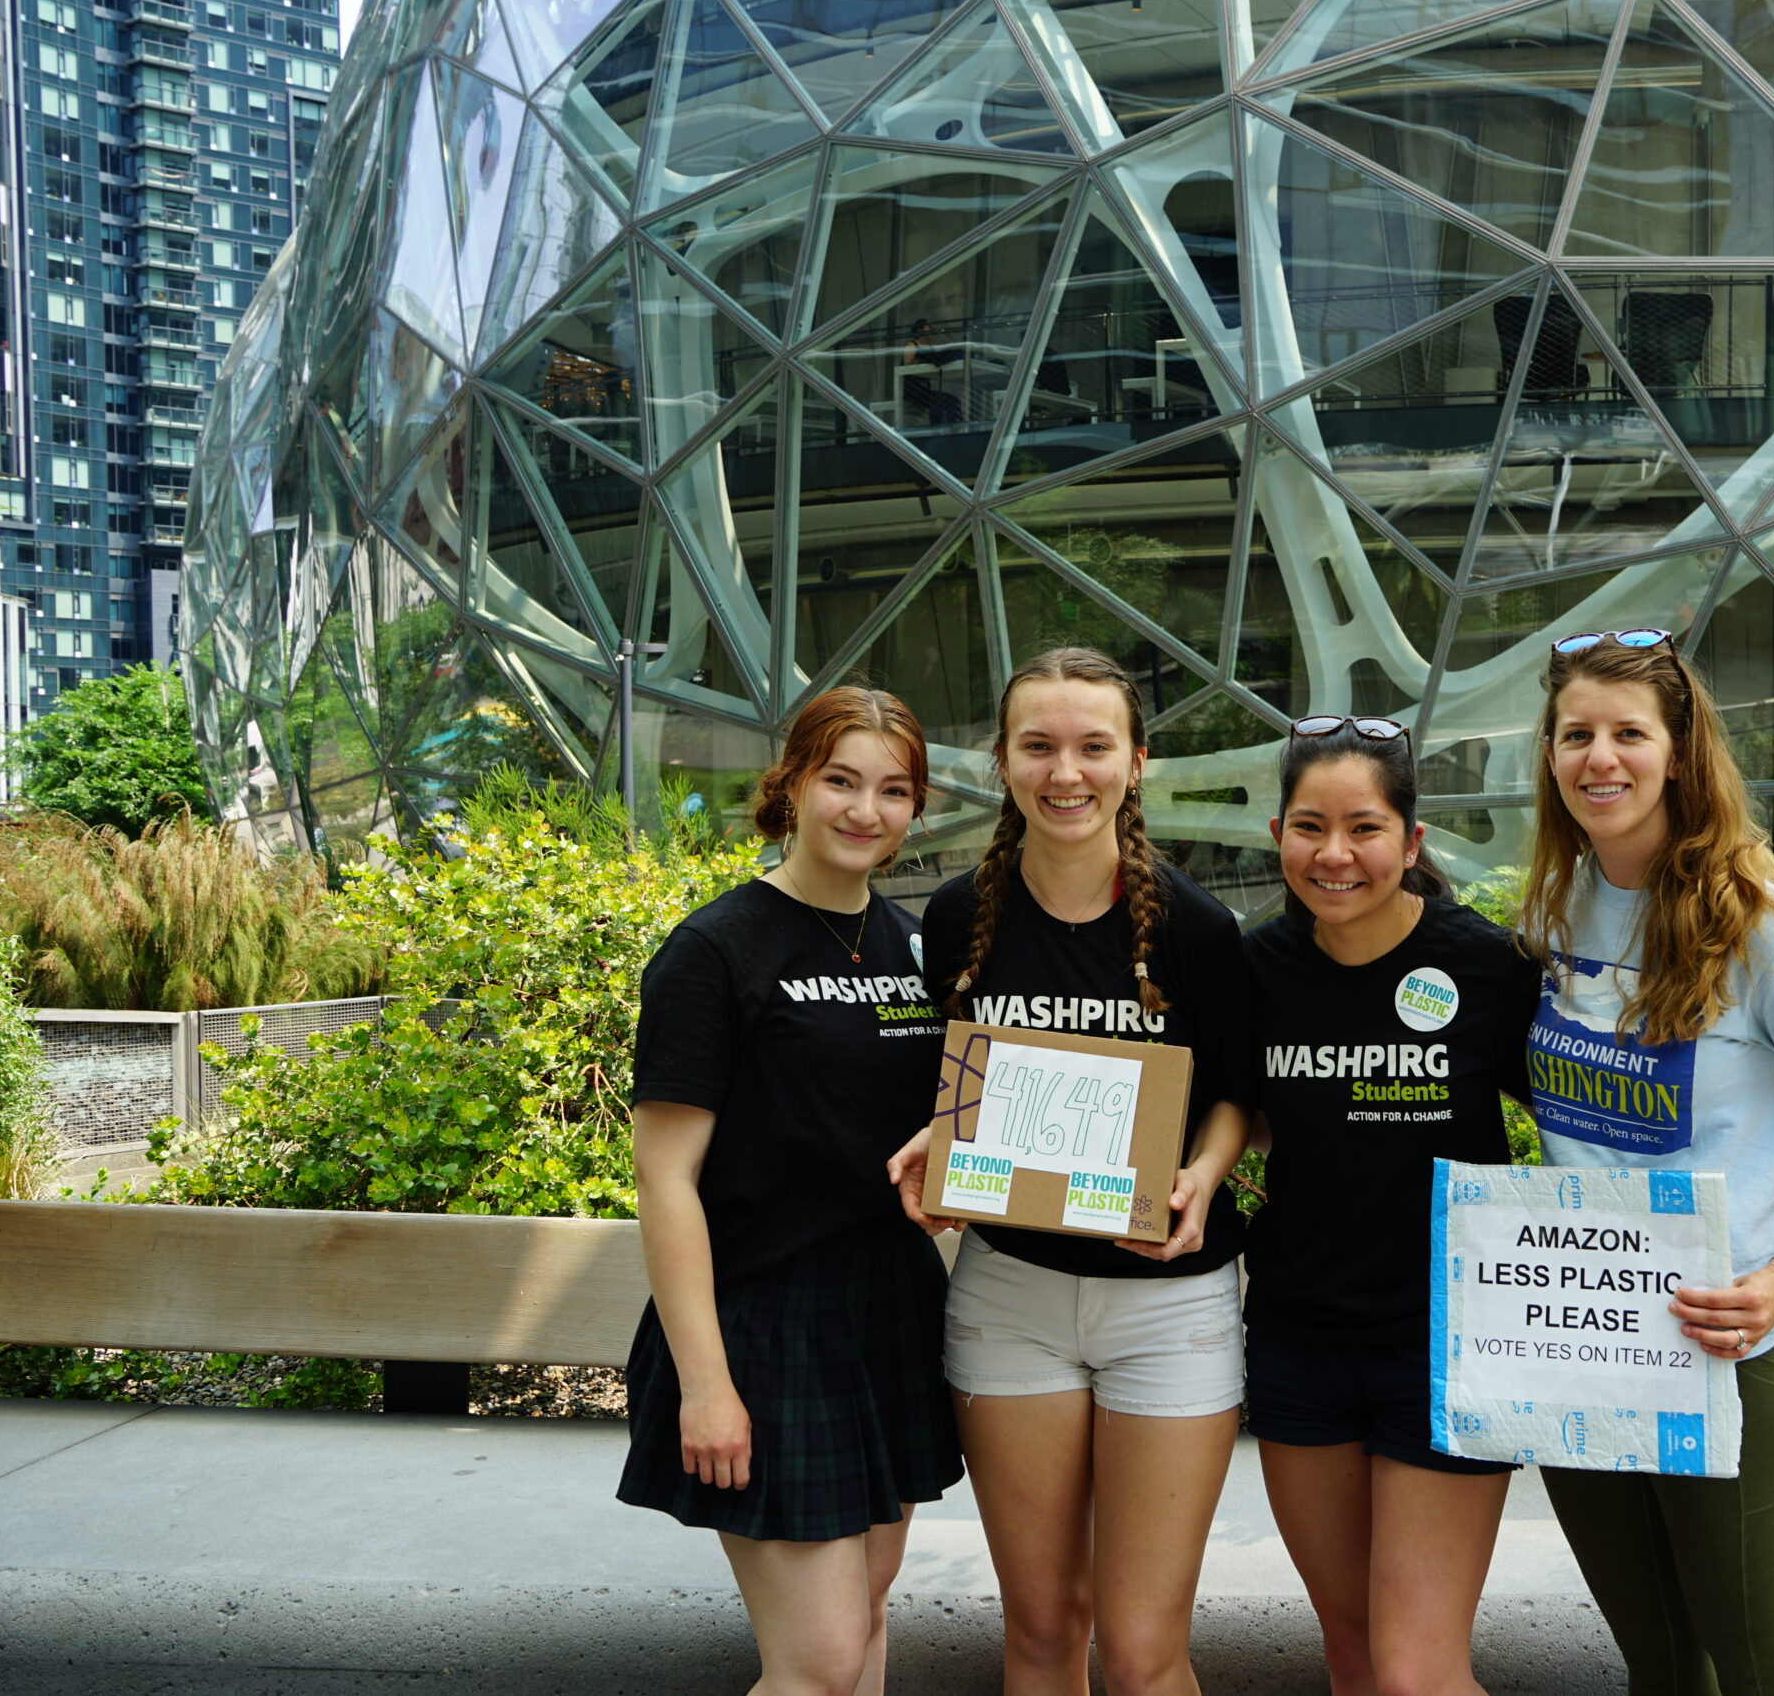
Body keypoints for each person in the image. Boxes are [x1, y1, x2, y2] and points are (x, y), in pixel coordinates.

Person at [1518, 629, 1774, 1696]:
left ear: (1679, 752)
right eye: (1576, 735)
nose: (1601, 758)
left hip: (1716, 1348)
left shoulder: (1762, 924)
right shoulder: (1552, 906)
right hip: (1578, 1336)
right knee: (1657, 1667)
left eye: (1628, 734)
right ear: (1549, 756)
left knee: (1757, 1669)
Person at [887, 645, 1255, 1696]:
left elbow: (1237, 1096)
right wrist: (934, 1143)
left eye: (1093, 747)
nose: (1065, 773)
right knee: (1043, 1635)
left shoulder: (1194, 925)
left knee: (1143, 1657)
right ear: (1000, 760)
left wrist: (1200, 1177)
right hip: (1011, 1302)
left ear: (1135, 763)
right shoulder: (960, 916)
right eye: (1038, 746)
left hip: (1168, 1312)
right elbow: (958, 1087)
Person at [620, 687, 962, 1696]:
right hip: (763, 1325)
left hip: (887, 1315)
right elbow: (664, 1179)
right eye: (842, 781)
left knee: (863, 1627)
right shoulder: (715, 950)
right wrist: (708, 1383)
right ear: (793, 786)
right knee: (815, 1659)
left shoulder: (915, 948)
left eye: (893, 790)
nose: (866, 810)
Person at [1240, 714, 1541, 1696]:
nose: (1335, 855)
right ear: (1278, 832)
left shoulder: (1487, 967)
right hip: (1298, 1345)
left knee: (1417, 1671)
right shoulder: (1253, 973)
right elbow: (1214, 1113)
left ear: (1410, 843)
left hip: (1452, 1348)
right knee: (1353, 1653)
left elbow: (1593, 1107)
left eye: (1364, 828)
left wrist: (1727, 1157)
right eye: (1309, 827)